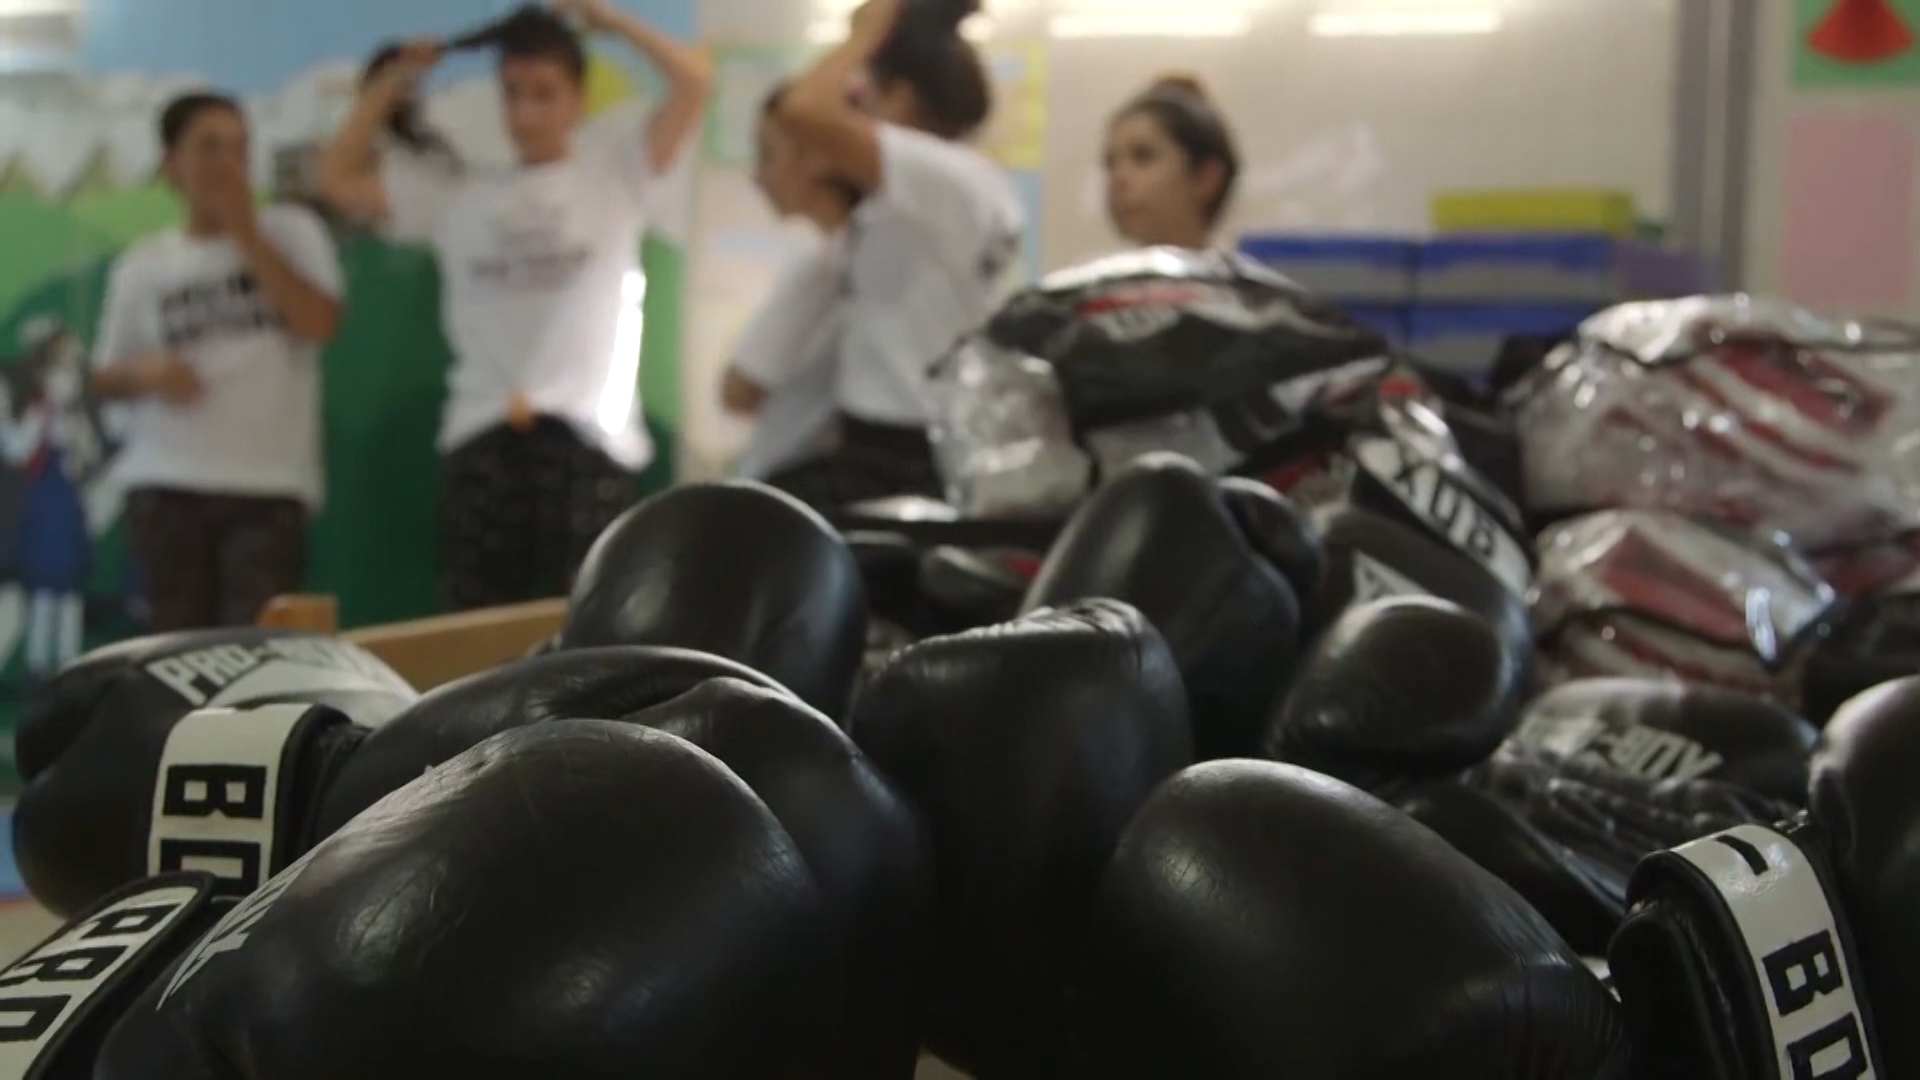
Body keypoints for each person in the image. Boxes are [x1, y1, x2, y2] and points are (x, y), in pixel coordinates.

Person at [315, 1, 711, 612]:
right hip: (482, 439)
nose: (525, 112)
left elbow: (694, 80)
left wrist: (608, 19)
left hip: (590, 445)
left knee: (590, 631)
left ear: (577, 98)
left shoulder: (616, 174)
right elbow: (335, 177)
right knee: (475, 629)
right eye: (513, 92)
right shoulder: (458, 195)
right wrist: (395, 80)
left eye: (545, 93)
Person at [89, 91, 343, 632]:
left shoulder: (293, 231)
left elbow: (318, 322)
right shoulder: (143, 265)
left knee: (256, 666)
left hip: (268, 489)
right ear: (171, 164)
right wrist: (148, 372)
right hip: (166, 486)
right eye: (209, 147)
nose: (229, 163)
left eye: (239, 147)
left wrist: (246, 232)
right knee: (175, 660)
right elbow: (105, 373)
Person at [768, 0, 1025, 509]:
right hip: (908, 436)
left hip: (903, 448)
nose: (857, 112)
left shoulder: (939, 174)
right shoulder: (962, 183)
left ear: (902, 99)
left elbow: (800, 110)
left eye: (868, 95)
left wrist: (868, 29)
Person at [720, 85, 858, 480]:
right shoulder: (861, 259)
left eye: (768, 154)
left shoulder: (824, 267)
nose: (757, 175)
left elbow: (737, 391)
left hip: (789, 476)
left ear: (818, 158)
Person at [1103, 74, 1242, 250]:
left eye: (1143, 156)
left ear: (1206, 177)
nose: (1118, 177)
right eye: (1110, 163)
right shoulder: (1093, 276)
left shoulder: (1242, 277)